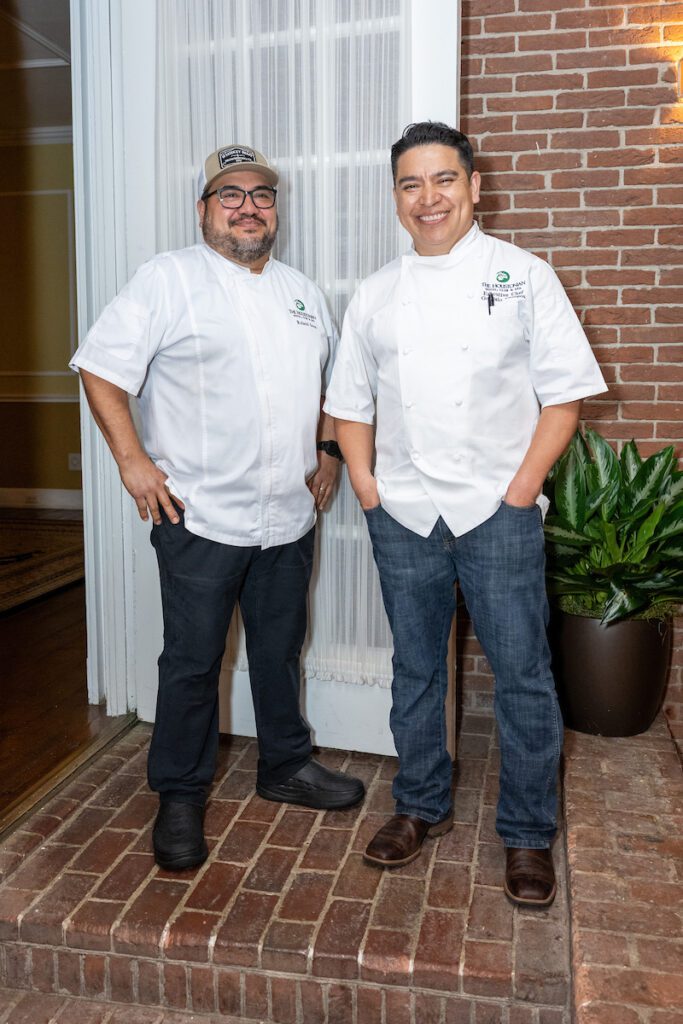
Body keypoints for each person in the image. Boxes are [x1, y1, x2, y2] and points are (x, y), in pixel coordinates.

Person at [324, 122, 607, 907]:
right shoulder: (375, 294)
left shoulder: (523, 276)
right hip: (404, 515)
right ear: (395, 198)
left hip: (496, 514)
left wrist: (518, 494)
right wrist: (368, 489)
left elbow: (563, 398)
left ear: (474, 187)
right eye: (410, 184)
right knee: (415, 669)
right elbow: (350, 404)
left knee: (522, 676)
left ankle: (526, 832)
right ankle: (420, 805)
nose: (428, 197)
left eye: (443, 179)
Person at [70, 143, 364, 872]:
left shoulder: (303, 293)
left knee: (278, 649)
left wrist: (329, 454)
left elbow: (332, 388)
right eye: (230, 195)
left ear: (276, 210)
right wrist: (133, 463)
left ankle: (285, 764)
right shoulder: (166, 279)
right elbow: (101, 369)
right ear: (203, 210)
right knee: (193, 662)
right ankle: (179, 794)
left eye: (261, 195)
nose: (247, 207)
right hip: (198, 516)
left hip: (286, 518)